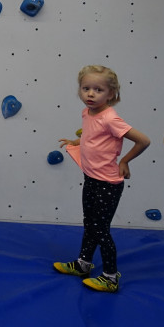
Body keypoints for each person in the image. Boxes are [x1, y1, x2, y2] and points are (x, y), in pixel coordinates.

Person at [54, 65, 151, 292]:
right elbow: (92, 136)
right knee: (90, 224)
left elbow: (143, 141)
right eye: (85, 88)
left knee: (100, 230)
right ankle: (83, 264)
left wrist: (124, 161)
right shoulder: (87, 112)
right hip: (91, 178)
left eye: (98, 90)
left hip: (108, 183)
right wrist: (77, 141)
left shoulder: (110, 118)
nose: (90, 94)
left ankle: (110, 276)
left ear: (111, 94)